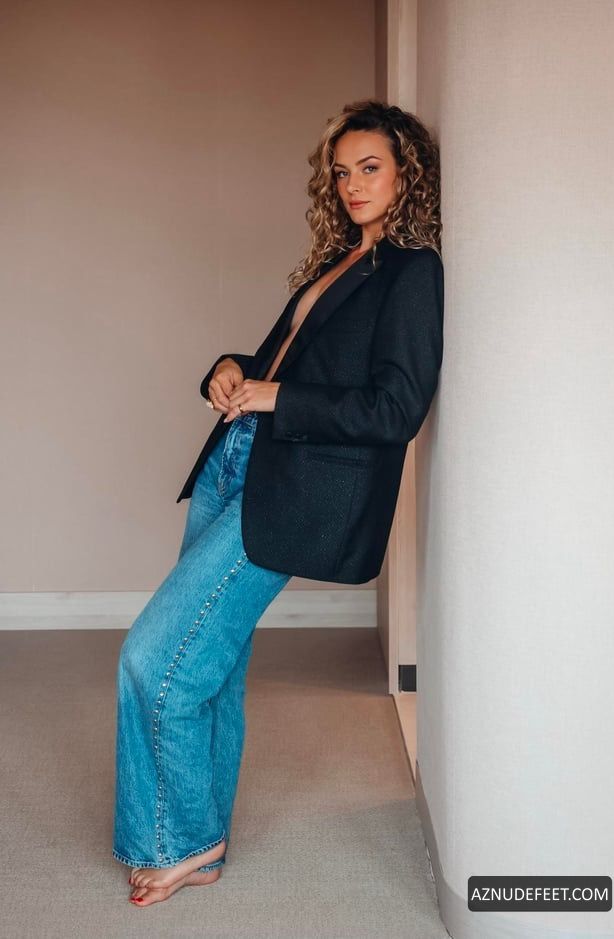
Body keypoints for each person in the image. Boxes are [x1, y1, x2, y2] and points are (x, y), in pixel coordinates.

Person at [114, 99, 444, 907]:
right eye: (342, 171)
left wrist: (276, 397)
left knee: (154, 658)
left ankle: (178, 839)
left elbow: (396, 408)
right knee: (212, 661)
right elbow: (281, 364)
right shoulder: (341, 259)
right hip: (238, 459)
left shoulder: (413, 272)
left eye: (371, 167)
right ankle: (202, 841)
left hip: (293, 486)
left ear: (407, 173)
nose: (353, 184)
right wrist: (230, 371)